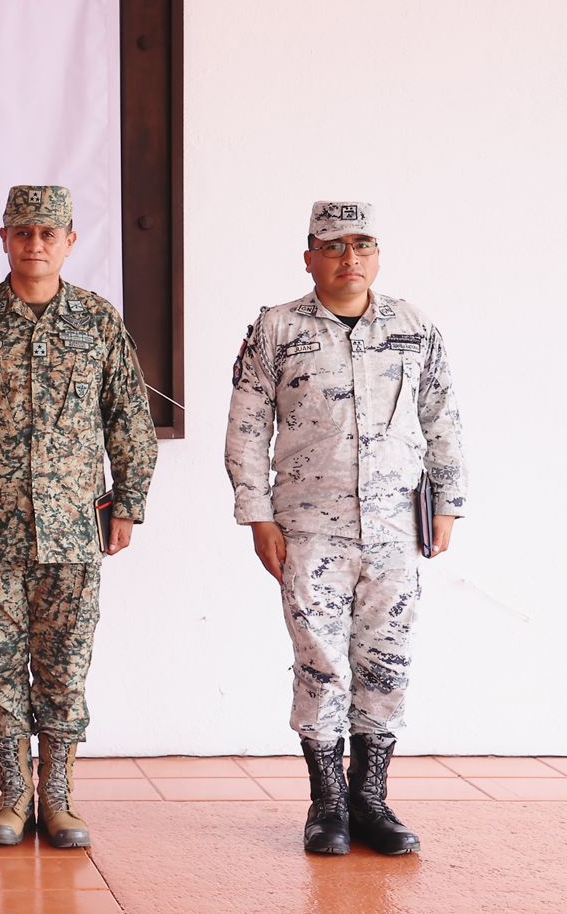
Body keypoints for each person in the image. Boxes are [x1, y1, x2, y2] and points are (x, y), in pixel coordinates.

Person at [0, 185, 158, 849]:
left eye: (49, 233)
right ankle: (13, 792)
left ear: (70, 241)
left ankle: (59, 795)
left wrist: (129, 501)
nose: (36, 244)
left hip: (75, 527)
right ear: (5, 239)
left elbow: (128, 415)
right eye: (24, 232)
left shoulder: (97, 321)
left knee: (64, 664)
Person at [225, 200, 467, 857]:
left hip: (394, 531)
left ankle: (372, 802)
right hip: (308, 531)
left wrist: (448, 503)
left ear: (378, 255)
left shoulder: (414, 327)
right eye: (333, 246)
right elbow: (248, 429)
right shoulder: (276, 329)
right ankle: (327, 806)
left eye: (362, 245)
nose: (349, 257)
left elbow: (442, 418)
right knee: (322, 665)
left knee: (386, 665)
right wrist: (257, 515)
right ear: (310, 257)